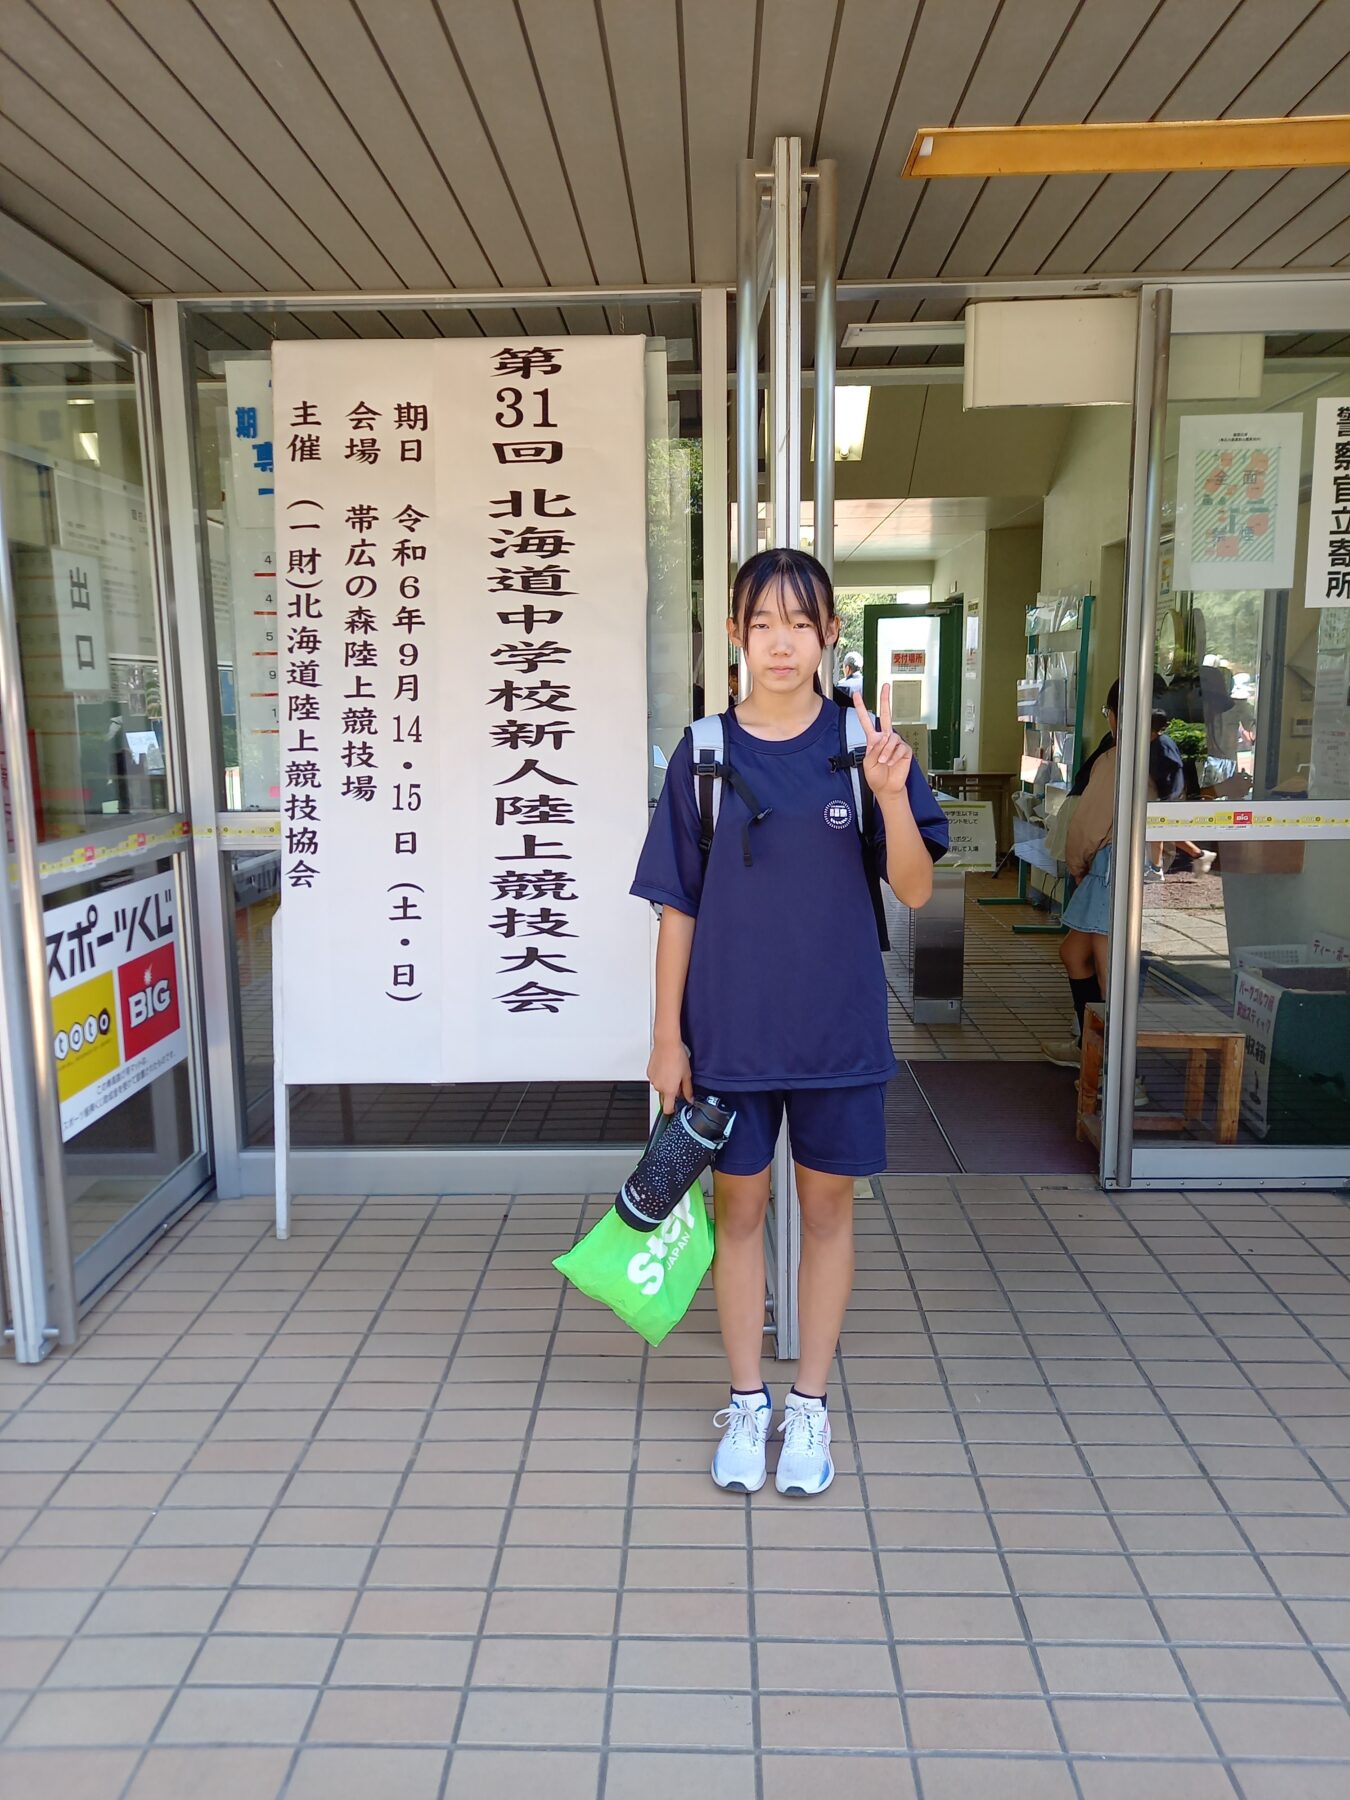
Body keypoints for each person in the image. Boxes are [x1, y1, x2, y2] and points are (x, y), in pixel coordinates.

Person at [631, 548, 948, 1498]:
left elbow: (917, 889)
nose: (781, 642)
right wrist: (666, 1036)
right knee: (738, 1209)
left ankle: (808, 1404)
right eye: (762, 623)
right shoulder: (706, 752)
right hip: (728, 1035)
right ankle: (746, 1398)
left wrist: (891, 795)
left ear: (829, 637)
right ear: (734, 633)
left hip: (838, 1035)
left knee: (827, 1212)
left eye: (801, 624)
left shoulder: (866, 750)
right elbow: (676, 907)